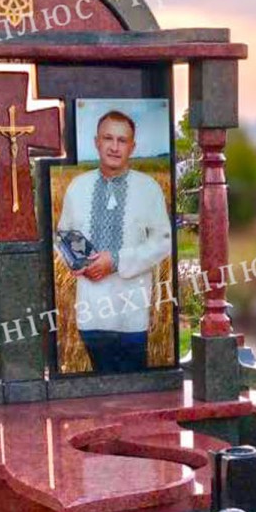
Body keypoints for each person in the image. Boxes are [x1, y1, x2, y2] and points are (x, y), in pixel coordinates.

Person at [57, 109, 172, 373]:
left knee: (134, 388)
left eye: (122, 140)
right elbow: (63, 234)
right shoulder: (77, 187)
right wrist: (78, 263)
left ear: (133, 147)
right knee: (101, 387)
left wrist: (117, 260)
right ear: (96, 142)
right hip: (91, 312)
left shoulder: (148, 188)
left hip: (131, 313)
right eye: (108, 138)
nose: (114, 147)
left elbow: (163, 241)